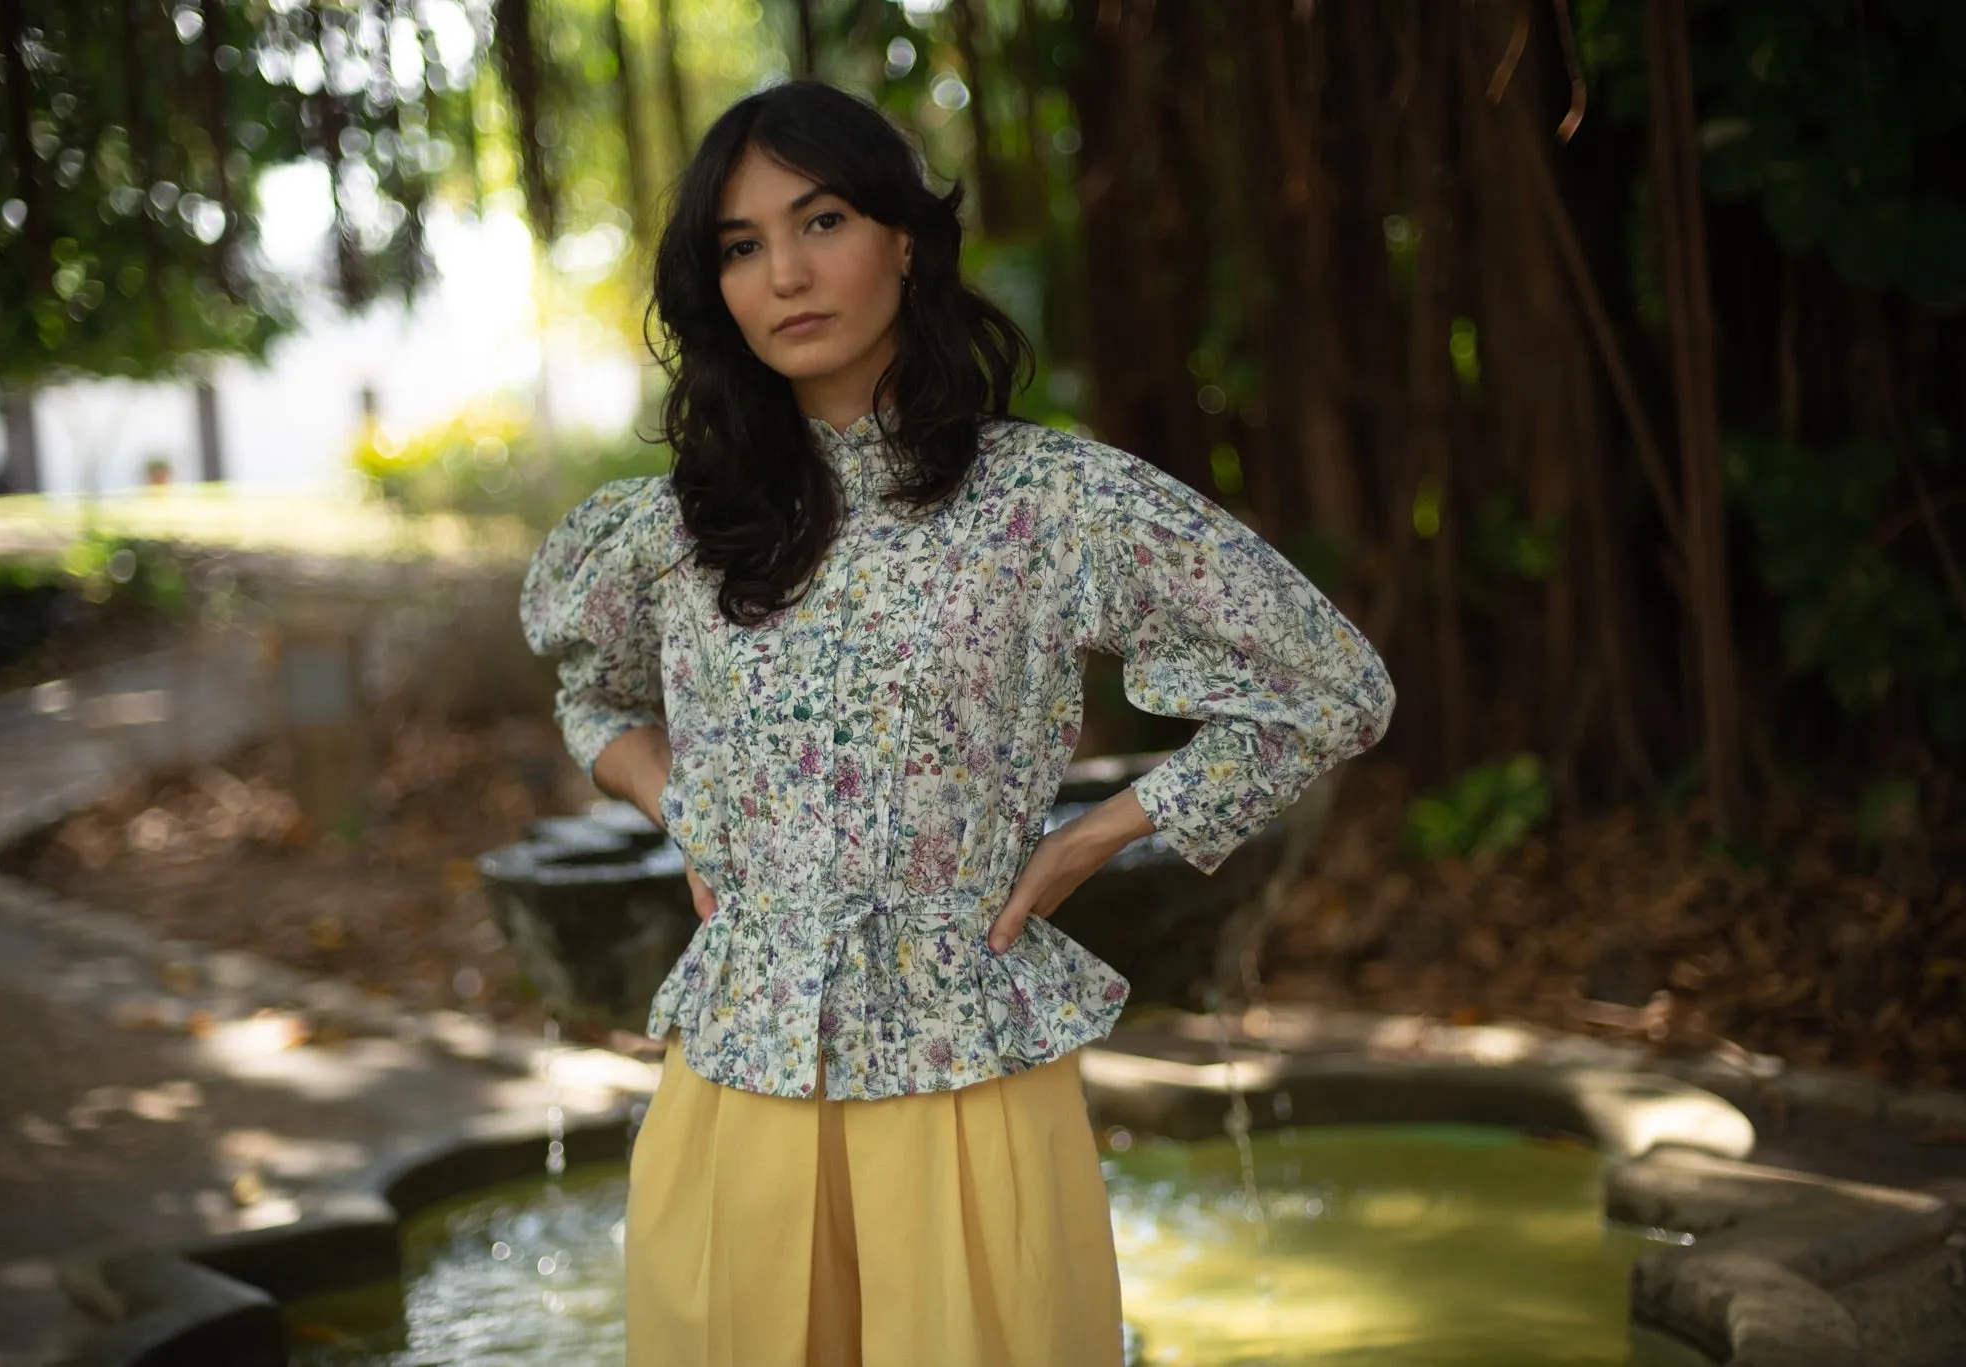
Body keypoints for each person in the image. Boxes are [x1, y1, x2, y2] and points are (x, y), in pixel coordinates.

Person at [520, 79, 1395, 1367]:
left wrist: (1087, 842)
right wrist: (686, 808)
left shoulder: (1053, 504)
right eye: (743, 246)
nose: (786, 275)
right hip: (734, 1087)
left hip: (965, 1074)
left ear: (906, 242)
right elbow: (590, 694)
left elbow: (1334, 687)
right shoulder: (672, 530)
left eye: (821, 223)